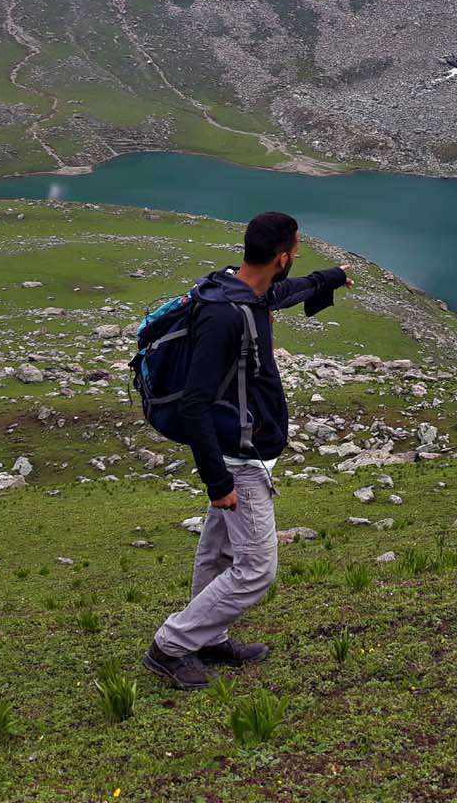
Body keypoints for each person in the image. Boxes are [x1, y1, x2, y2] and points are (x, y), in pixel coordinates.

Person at [145, 211, 352, 689]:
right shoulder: (224, 316)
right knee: (257, 568)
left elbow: (285, 292)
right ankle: (171, 646)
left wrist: (332, 279)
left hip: (242, 451)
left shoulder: (241, 290)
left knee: (217, 553)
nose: (295, 258)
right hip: (238, 460)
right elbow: (195, 405)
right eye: (295, 251)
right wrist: (217, 483)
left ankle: (209, 637)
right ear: (281, 256)